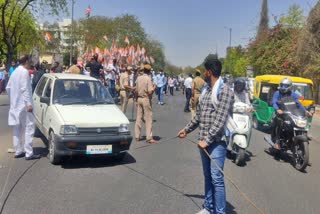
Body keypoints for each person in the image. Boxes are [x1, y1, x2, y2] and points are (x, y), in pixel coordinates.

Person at [178, 58, 234, 214]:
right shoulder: (206, 90)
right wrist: (186, 129)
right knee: (207, 176)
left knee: (217, 178)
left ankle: (220, 211)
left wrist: (206, 140)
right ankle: (208, 207)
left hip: (217, 143)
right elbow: (200, 116)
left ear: (209, 71)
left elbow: (220, 121)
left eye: (204, 70)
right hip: (203, 142)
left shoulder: (225, 91)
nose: (203, 73)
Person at [6, 55, 41, 160]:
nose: (30, 63)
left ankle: (18, 151)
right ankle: (29, 153)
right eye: (29, 61)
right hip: (25, 105)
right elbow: (25, 89)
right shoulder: (24, 72)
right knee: (29, 127)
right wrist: (29, 104)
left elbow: (8, 88)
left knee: (17, 128)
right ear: (26, 61)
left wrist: (13, 99)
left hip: (15, 105)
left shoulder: (15, 72)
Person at [271, 77, 311, 150]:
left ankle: (293, 139)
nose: (283, 87)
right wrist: (277, 109)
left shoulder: (292, 94)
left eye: (285, 85)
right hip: (280, 113)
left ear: (289, 86)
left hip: (290, 113)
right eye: (282, 85)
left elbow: (298, 103)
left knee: (297, 123)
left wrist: (305, 111)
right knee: (280, 122)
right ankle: (277, 142)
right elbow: (274, 102)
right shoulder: (277, 93)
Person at [134, 64, 157, 144]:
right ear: (150, 71)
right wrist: (154, 87)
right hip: (146, 99)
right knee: (148, 118)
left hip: (139, 98)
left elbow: (136, 90)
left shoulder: (138, 78)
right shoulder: (148, 79)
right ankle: (149, 137)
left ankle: (137, 136)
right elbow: (150, 91)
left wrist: (136, 99)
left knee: (138, 118)